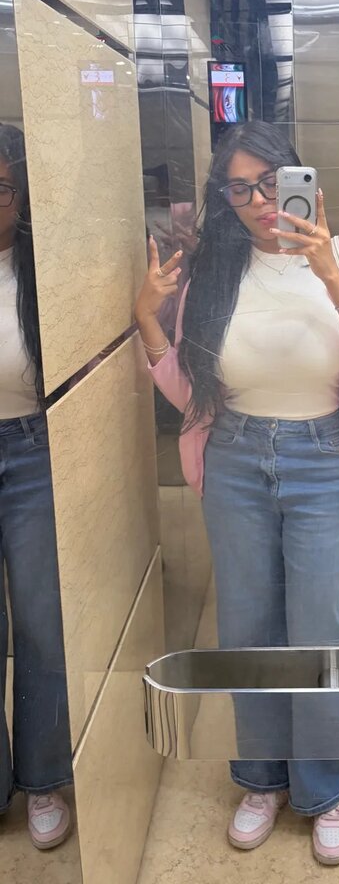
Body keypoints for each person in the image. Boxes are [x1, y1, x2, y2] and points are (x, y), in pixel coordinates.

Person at [134, 120, 339, 866]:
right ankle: (260, 778)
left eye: (269, 183)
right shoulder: (215, 269)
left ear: (298, 178)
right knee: (248, 625)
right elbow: (191, 390)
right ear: (223, 197)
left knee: (319, 628)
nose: (257, 201)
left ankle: (325, 785)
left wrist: (328, 271)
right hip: (234, 459)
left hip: (322, 460)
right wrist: (148, 320)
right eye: (238, 189)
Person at [0, 124, 72, 848]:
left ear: (21, 194)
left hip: (31, 451)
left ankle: (45, 777)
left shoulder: (43, 268)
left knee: (40, 621)